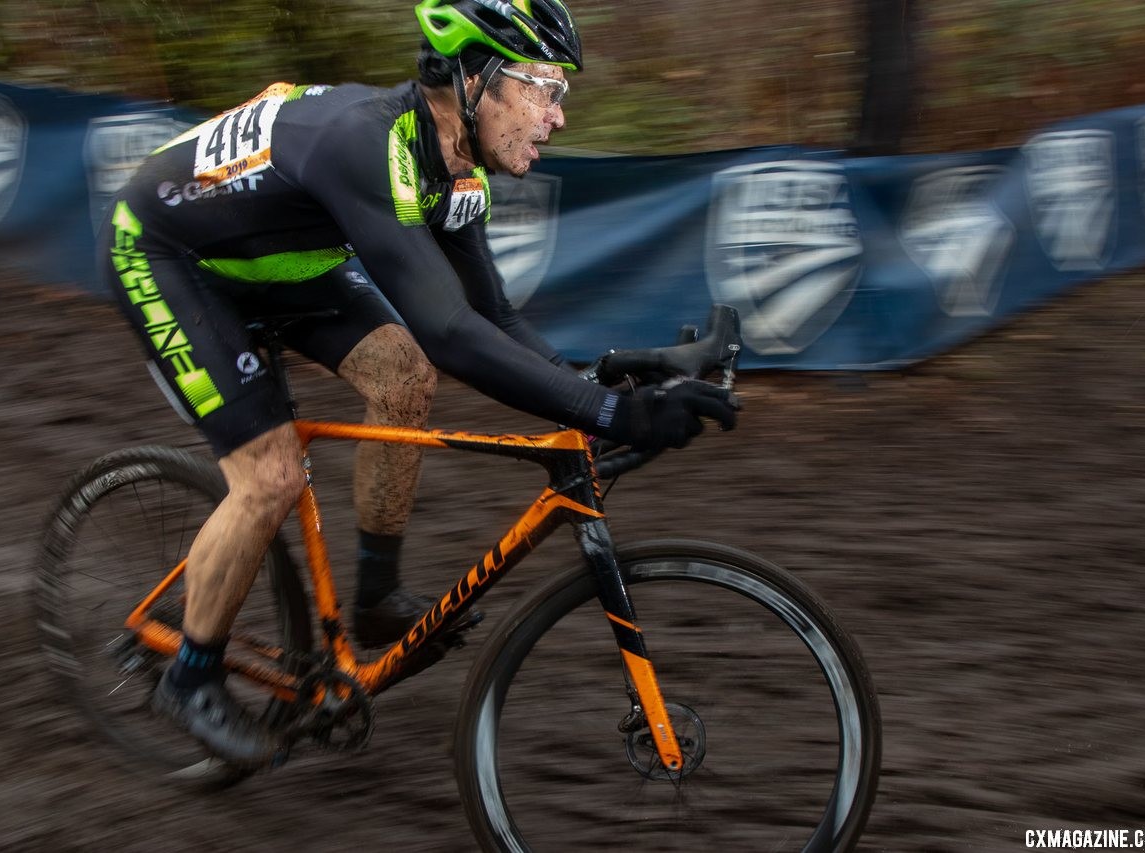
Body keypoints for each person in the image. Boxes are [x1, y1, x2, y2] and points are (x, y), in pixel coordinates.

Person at [100, 0, 737, 768]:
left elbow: (490, 318)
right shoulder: (364, 145)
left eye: (558, 92)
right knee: (266, 477)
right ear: (473, 79)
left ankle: (372, 598)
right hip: (169, 252)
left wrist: (603, 376)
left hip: (276, 260)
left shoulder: (457, 170)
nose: (556, 116)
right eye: (540, 87)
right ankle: (191, 673)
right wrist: (613, 411)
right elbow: (452, 333)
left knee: (403, 375)